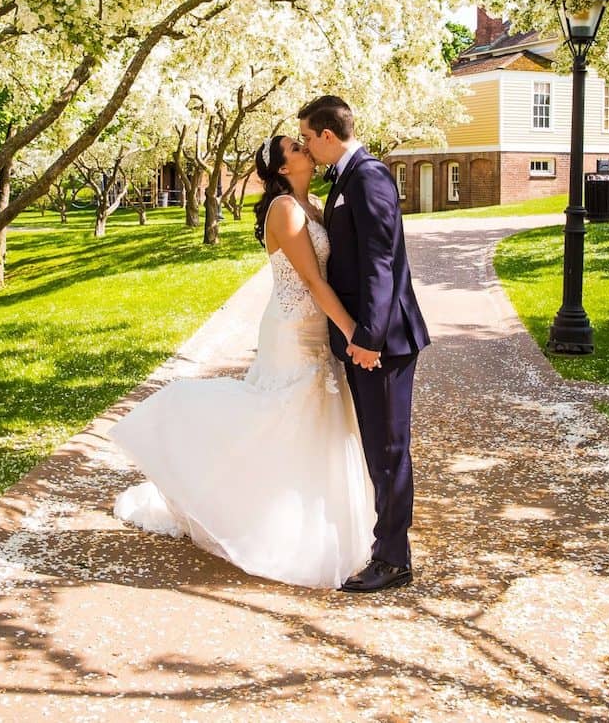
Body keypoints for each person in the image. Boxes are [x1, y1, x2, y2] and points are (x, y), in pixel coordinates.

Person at [108, 134, 374, 589]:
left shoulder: (311, 207)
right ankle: (268, 522)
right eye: (295, 146)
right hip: (292, 329)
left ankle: (320, 514)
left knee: (318, 418)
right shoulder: (285, 211)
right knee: (285, 414)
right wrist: (354, 332)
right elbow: (310, 280)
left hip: (314, 325)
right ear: (283, 167)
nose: (304, 147)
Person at [297, 94, 430, 593]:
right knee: (379, 448)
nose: (308, 147)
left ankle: (393, 559)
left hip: (384, 342)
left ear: (328, 135)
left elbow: (381, 262)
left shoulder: (369, 177)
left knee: (389, 450)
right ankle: (388, 547)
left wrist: (368, 336)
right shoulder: (347, 179)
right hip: (368, 340)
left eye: (309, 137)